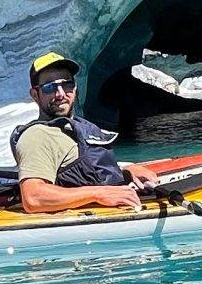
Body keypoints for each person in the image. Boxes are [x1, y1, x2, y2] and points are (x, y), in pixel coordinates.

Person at [12, 52, 154, 213]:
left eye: (67, 84)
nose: (60, 94)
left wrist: (126, 172)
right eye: (49, 87)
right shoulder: (36, 136)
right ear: (35, 95)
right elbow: (33, 198)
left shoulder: (75, 127)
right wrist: (97, 194)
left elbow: (85, 173)